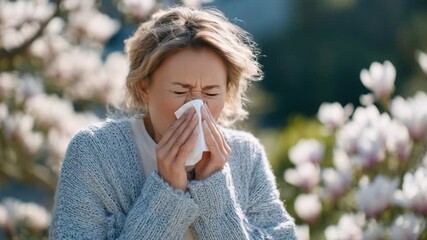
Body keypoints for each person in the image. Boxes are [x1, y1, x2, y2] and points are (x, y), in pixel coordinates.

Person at [50, 6, 297, 240]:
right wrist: (166, 192)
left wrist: (213, 189)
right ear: (144, 88)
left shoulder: (246, 155)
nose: (197, 110)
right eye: (181, 92)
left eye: (211, 93)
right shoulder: (94, 153)